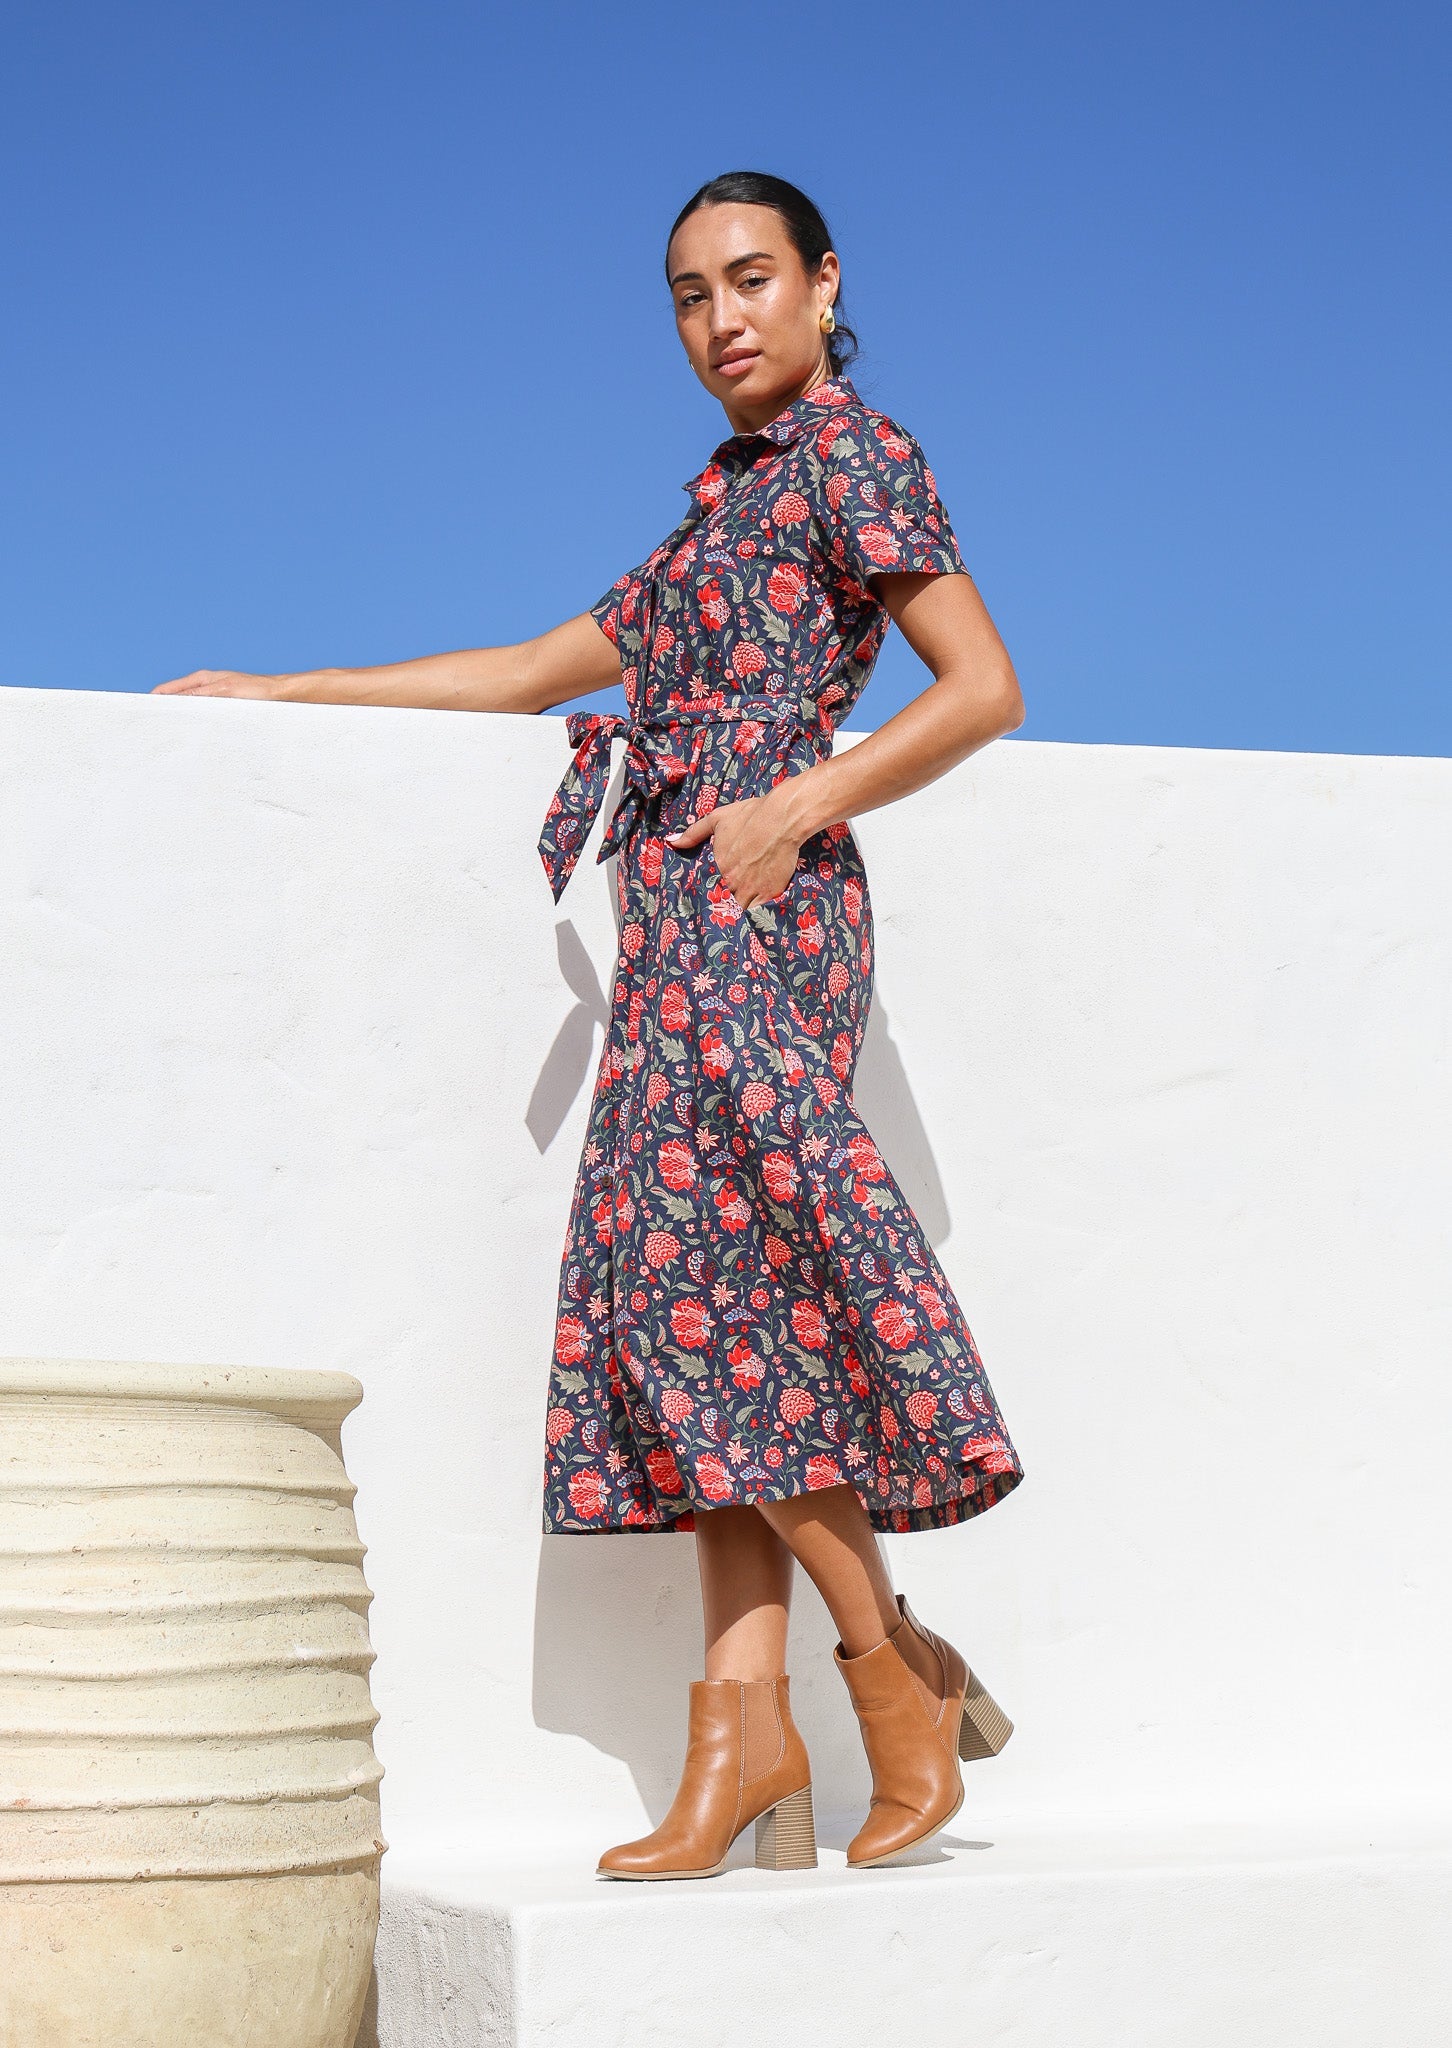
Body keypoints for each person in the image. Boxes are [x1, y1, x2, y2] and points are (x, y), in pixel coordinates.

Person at [155, 169, 1026, 1881]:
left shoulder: (858, 457)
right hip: (673, 917)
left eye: (753, 279)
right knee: (689, 1308)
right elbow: (528, 669)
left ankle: (895, 1676)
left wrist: (796, 807)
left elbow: (983, 686)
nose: (722, 319)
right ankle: (745, 1733)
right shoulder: (712, 517)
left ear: (825, 284)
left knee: (724, 1303)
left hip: (764, 911)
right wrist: (286, 690)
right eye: (692, 295)